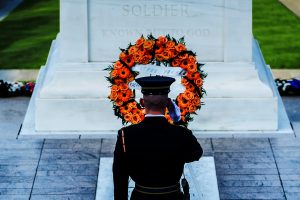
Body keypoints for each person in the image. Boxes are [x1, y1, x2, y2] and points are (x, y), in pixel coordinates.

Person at [113, 76, 203, 200]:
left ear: (142, 102)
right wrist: (178, 121)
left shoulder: (126, 135)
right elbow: (196, 154)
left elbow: (120, 177)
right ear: (168, 104)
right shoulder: (180, 134)